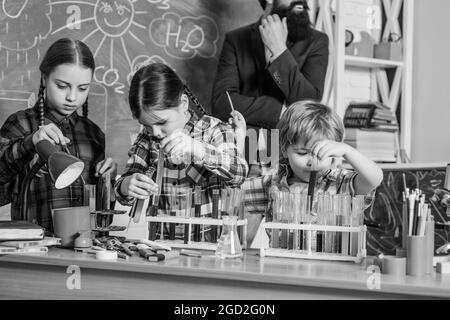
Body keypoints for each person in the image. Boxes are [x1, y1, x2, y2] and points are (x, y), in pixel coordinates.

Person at [0, 38, 117, 232]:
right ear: (45, 78)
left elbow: (103, 220)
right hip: (34, 250)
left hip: (83, 250)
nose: (72, 97)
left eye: (82, 88)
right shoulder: (20, 124)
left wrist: (107, 183)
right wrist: (30, 143)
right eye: (62, 86)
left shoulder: (94, 135)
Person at [114, 63, 248, 223]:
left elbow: (239, 173)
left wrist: (198, 149)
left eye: (162, 122)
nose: (156, 132)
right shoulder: (147, 139)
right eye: (147, 126)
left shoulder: (214, 130)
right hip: (162, 241)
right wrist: (126, 186)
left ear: (183, 103)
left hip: (209, 242)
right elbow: (125, 190)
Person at [212, 0, 329, 176]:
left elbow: (308, 103)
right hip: (240, 153)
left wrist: (279, 51)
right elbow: (222, 103)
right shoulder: (236, 39)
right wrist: (279, 111)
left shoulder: (316, 41)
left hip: (291, 157)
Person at [240, 101, 383, 243]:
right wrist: (240, 142)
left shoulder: (340, 183)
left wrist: (348, 150)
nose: (311, 162)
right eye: (302, 153)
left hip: (331, 264)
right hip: (282, 263)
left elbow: (374, 179)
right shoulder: (272, 183)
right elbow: (234, 191)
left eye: (321, 154)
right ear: (284, 149)